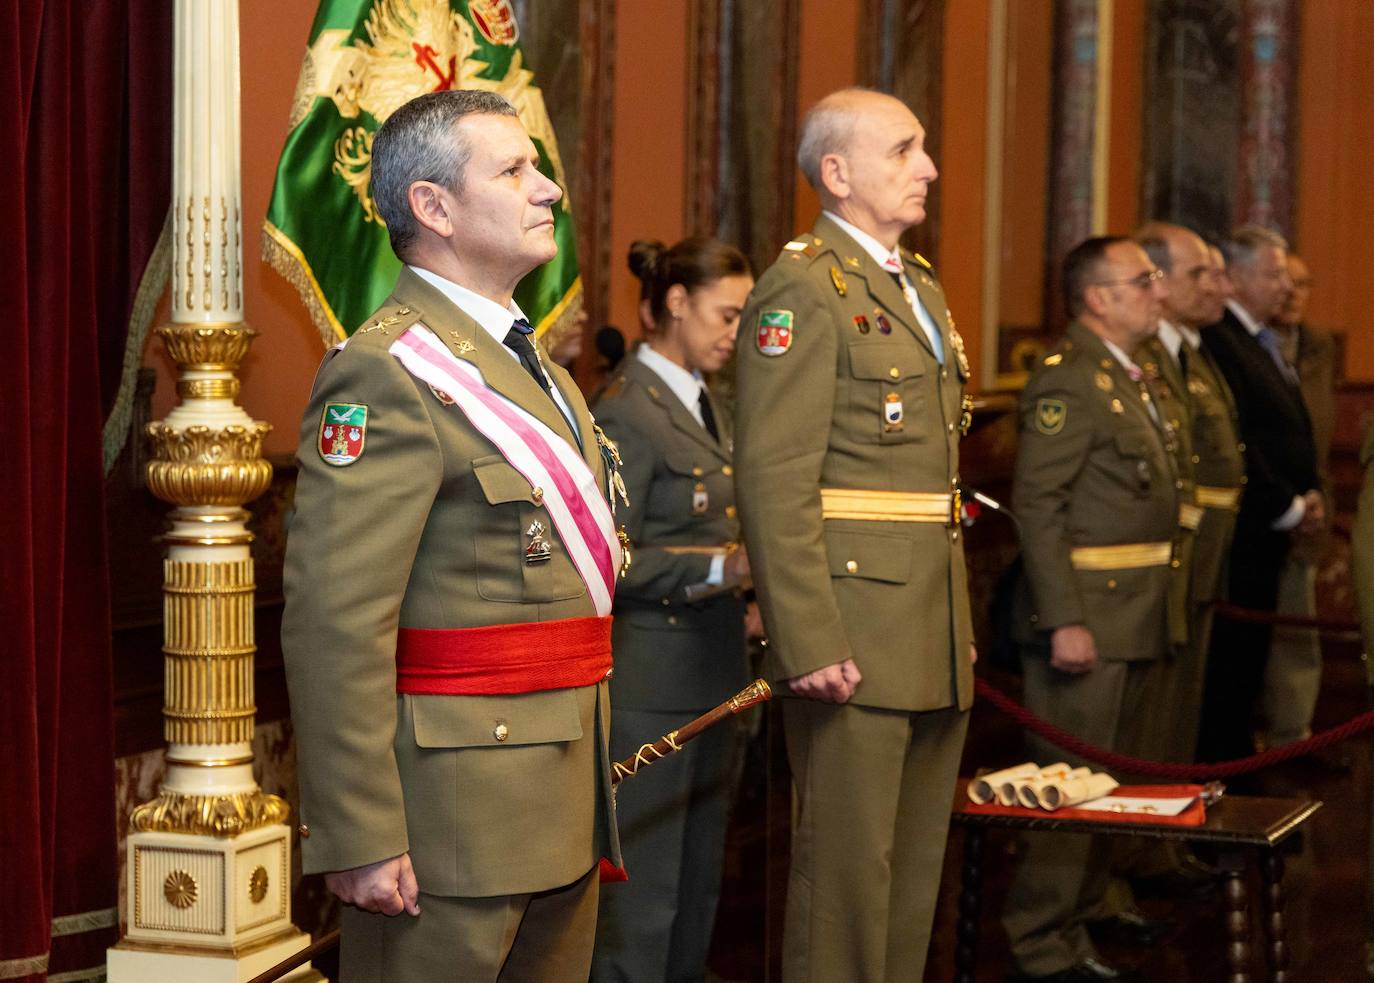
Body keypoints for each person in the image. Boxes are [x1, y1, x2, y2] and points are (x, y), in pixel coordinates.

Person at [280, 90, 623, 983]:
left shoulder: (532, 364)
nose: (548, 189)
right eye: (513, 170)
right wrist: (359, 833)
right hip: (449, 830)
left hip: (563, 800)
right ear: (432, 207)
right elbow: (335, 621)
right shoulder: (385, 374)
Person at [732, 87, 975, 983]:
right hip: (852, 630)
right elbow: (772, 476)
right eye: (906, 150)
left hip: (929, 622)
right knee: (844, 880)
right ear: (836, 173)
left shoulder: (917, 286)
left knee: (909, 878)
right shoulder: (803, 285)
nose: (930, 169)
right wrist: (807, 636)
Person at [1003, 236, 1177, 983]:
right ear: (1098, 296)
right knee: (1069, 786)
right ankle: (1039, 939)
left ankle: (1078, 921)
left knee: (1110, 784)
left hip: (1135, 607)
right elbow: (1038, 505)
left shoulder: (1128, 375)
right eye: (1143, 280)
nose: (1158, 291)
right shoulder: (1070, 379)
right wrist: (1063, 616)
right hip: (1089, 616)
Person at [589, 237, 755, 983]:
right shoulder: (626, 409)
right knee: (646, 893)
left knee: (697, 883)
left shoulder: (704, 400)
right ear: (677, 304)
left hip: (716, 669)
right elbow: (606, 556)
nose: (735, 332)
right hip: (652, 685)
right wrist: (726, 565)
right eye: (726, 313)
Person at [1198, 226, 1322, 765]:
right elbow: (1238, 437)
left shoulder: (1261, 341)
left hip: (1273, 527)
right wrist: (1287, 504)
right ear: (1236, 277)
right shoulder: (1222, 340)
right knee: (1229, 675)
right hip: (1246, 530)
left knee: (1248, 669)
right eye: (1273, 274)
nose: (1284, 286)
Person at [1261, 251, 1338, 748]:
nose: (1291, 293)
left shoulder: (1319, 345)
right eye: (1281, 282)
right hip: (1264, 503)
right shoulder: (1245, 345)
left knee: (1297, 632)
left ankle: (1294, 735)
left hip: (1310, 502)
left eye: (1302, 283)